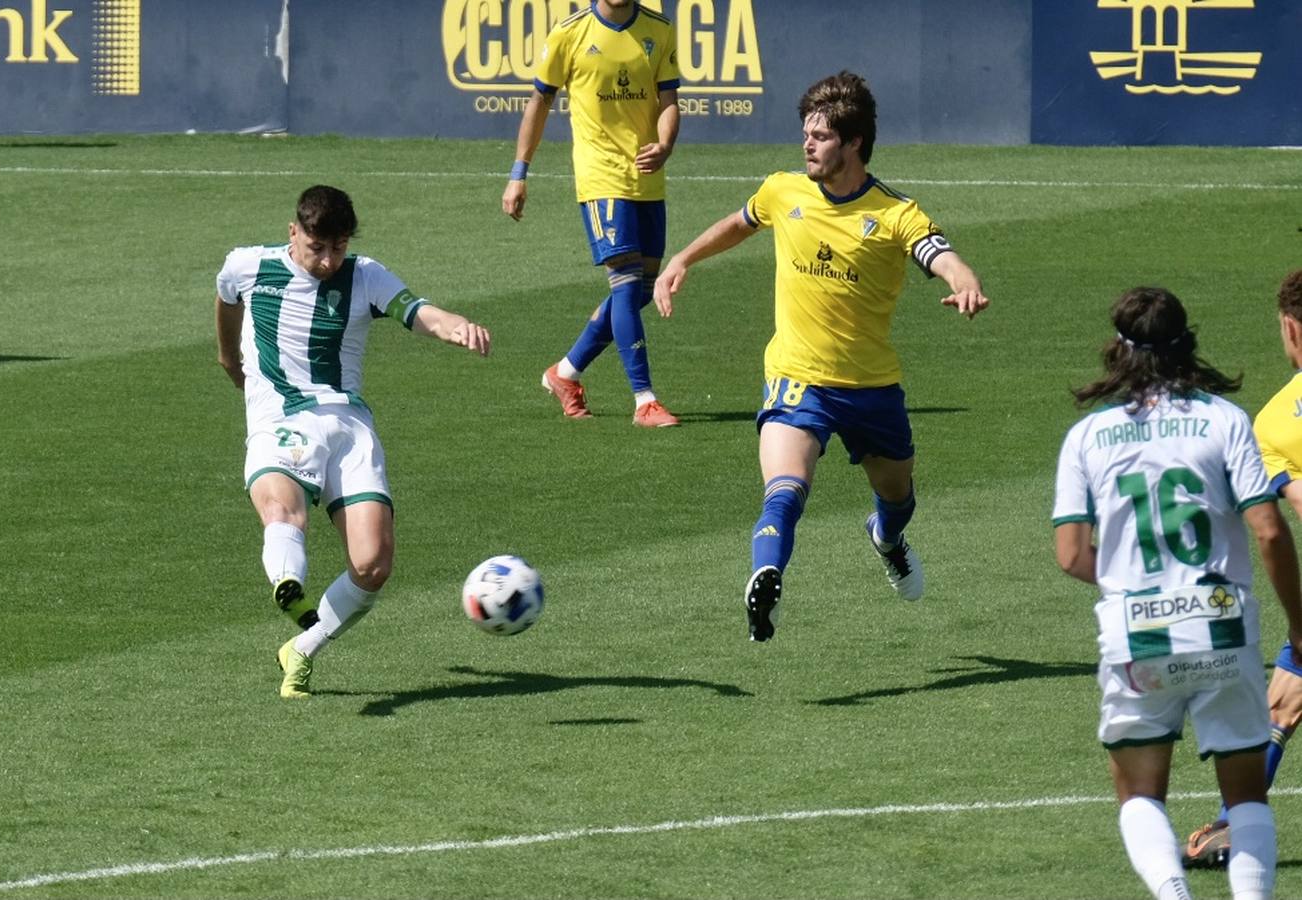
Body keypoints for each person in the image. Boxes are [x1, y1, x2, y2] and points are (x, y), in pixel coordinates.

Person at [652, 71, 988, 641]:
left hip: (872, 389)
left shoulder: (894, 213)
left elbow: (939, 253)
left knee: (898, 497)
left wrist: (965, 280)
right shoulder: (785, 190)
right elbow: (739, 224)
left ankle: (886, 537)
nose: (808, 144)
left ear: (854, 143)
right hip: (796, 379)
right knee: (784, 490)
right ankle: (766, 577)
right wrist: (683, 258)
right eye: (805, 133)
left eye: (822, 136)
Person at [1052, 286, 1302, 900]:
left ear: (1117, 349)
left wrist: (1138, 584)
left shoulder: (1088, 436)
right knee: (1245, 795)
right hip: (1219, 624)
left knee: (1140, 795)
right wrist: (1299, 624)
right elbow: (1269, 530)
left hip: (1137, 634)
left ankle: (1172, 893)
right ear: (1186, 342)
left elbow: (1071, 555)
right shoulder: (1226, 420)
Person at [216, 185, 491, 699]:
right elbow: (226, 301)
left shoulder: (366, 275)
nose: (326, 261)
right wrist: (229, 360)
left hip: (348, 427)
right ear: (293, 232)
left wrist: (454, 327)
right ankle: (289, 585)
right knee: (283, 512)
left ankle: (302, 647)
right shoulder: (248, 266)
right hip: (280, 419)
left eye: (337, 248)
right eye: (317, 247)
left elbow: (418, 311)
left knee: (373, 564)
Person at [501, 0, 682, 428]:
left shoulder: (660, 30)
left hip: (647, 178)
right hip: (600, 178)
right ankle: (645, 401)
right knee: (624, 285)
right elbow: (539, 104)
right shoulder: (569, 33)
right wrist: (518, 173)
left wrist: (666, 144)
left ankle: (564, 373)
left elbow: (669, 100)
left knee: (641, 289)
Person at [1182, 269, 1302, 869]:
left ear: (1290, 330)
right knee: (1287, 695)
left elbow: (1288, 513)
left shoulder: (1278, 422)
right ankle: (1235, 822)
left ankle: (1236, 822)